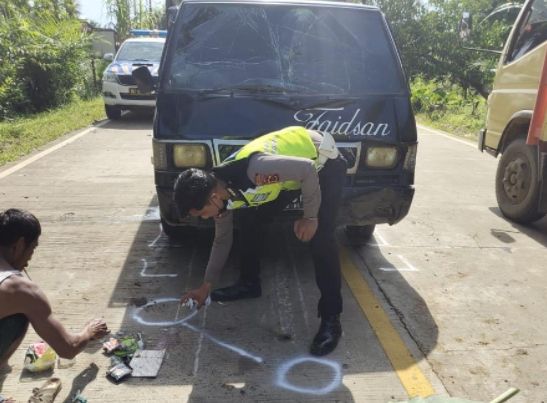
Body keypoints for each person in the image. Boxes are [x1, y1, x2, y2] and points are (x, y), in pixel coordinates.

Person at [175, 126, 347, 356]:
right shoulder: (220, 191)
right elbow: (222, 239)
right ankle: (249, 283)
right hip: (290, 176)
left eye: (202, 213)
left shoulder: (256, 170)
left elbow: (307, 170)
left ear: (213, 197)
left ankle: (331, 318)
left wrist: (309, 217)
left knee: (321, 237)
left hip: (322, 164)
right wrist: (206, 286)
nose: (205, 218)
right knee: (251, 219)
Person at [0, 209, 109, 367]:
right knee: (20, 315)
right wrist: (89, 331)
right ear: (20, 245)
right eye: (32, 249)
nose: (29, 260)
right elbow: (68, 349)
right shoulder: (19, 288)